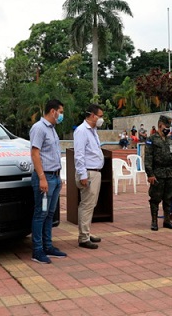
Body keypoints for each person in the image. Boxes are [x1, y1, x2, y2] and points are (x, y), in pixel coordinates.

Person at [29, 99, 67, 264]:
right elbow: (35, 154)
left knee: (50, 214)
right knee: (41, 214)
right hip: (45, 179)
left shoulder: (52, 129)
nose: (61, 115)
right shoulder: (39, 128)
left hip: (55, 177)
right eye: (61, 111)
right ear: (53, 111)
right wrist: (42, 178)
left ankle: (48, 246)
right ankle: (37, 250)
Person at [73, 104, 105, 249]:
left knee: (91, 204)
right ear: (92, 115)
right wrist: (82, 174)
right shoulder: (81, 131)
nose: (101, 119)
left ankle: (86, 232)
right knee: (86, 205)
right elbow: (79, 154)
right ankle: (83, 237)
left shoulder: (93, 130)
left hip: (95, 171)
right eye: (100, 116)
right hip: (88, 172)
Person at [144, 115, 172, 231]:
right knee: (155, 198)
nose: (168, 129)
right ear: (160, 125)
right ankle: (154, 221)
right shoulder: (151, 139)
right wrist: (150, 174)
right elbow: (148, 158)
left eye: (169, 126)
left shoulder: (170, 140)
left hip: (169, 173)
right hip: (157, 173)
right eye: (166, 126)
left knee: (168, 197)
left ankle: (167, 220)